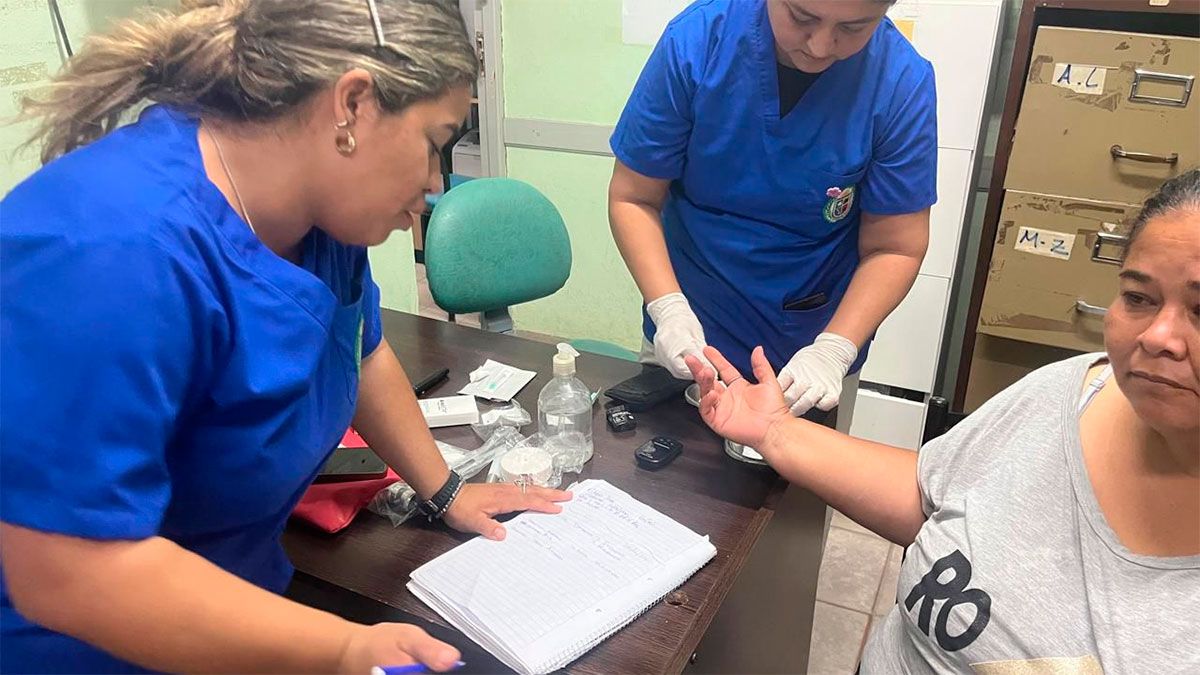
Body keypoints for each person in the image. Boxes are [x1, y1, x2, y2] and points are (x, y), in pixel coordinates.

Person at [0, 1, 569, 672]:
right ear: (352, 106)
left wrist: (446, 491)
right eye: (433, 142)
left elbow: (358, 349)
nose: (433, 183)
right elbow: (66, 571)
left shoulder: (323, 217)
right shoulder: (110, 250)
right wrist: (343, 646)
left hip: (241, 610)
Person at [684, 169, 1200, 672]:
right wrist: (774, 430)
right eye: (1139, 298)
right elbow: (933, 494)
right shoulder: (1070, 389)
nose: (1157, 337)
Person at [608, 0, 936, 425]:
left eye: (854, 28)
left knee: (797, 470)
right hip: (690, 331)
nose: (820, 46)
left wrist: (834, 349)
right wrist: (668, 309)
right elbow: (634, 198)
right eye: (802, 17)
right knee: (664, 459)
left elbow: (895, 248)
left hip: (811, 351)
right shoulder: (698, 41)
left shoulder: (900, 82)